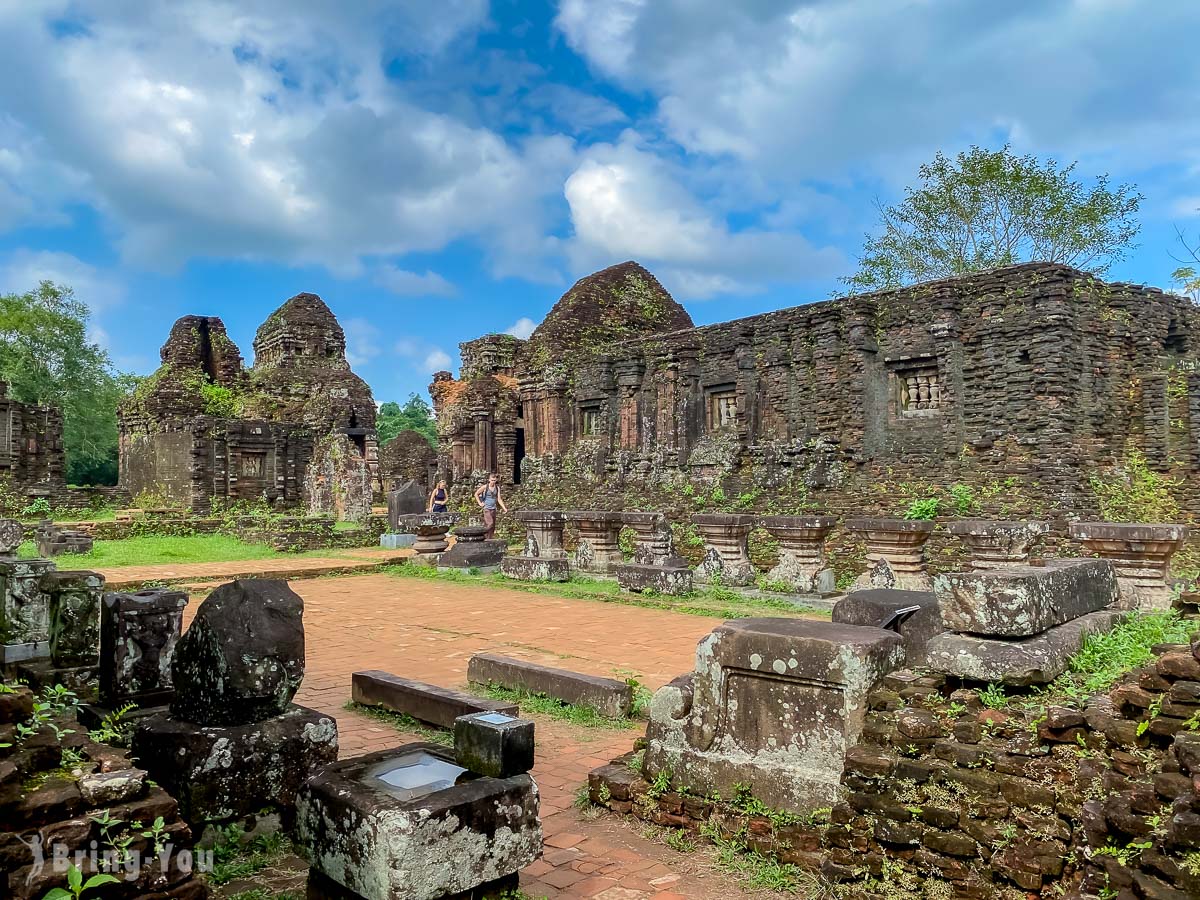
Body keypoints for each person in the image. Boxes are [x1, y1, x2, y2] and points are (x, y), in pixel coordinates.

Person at [474, 473, 507, 539]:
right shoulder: (485, 487)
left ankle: (489, 538)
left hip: (493, 508)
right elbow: (476, 494)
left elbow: (499, 499)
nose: (493, 482)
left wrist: (504, 508)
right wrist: (480, 503)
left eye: (494, 480)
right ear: (489, 480)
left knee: (492, 526)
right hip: (487, 508)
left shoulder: (497, 488)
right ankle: (484, 536)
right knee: (490, 523)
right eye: (492, 480)